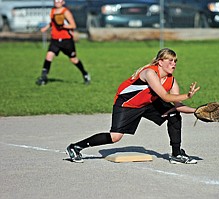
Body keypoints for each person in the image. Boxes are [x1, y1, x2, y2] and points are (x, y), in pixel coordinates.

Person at [66, 48, 200, 164]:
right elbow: (165, 97)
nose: (173, 63)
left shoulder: (171, 80)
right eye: (170, 60)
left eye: (175, 61)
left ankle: (176, 154)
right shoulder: (150, 73)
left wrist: (197, 111)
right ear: (160, 62)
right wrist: (187, 96)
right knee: (115, 137)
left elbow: (177, 105)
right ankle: (76, 147)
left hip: (148, 103)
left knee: (173, 114)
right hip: (127, 104)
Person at [36, 0, 90, 85]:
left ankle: (85, 74)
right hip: (55, 39)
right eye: (55, 0)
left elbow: (73, 25)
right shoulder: (53, 10)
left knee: (74, 60)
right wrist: (46, 28)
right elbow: (52, 22)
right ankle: (43, 78)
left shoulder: (66, 12)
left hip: (66, 40)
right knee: (49, 56)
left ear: (63, 2)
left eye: (59, 0)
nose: (57, 2)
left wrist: (62, 25)